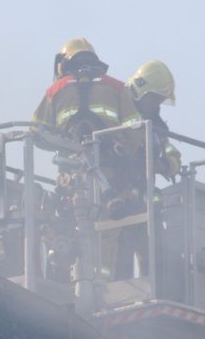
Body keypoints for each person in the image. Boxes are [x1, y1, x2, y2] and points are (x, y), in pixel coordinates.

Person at [32, 38, 142, 281]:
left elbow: (35, 135)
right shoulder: (117, 87)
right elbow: (137, 133)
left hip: (70, 182)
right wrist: (122, 154)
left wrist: (59, 145)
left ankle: (73, 286)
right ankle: (98, 288)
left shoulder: (55, 90)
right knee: (106, 238)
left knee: (68, 234)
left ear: (63, 64)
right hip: (112, 180)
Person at [114, 60, 182, 282]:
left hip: (147, 208)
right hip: (121, 204)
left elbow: (174, 157)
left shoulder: (156, 125)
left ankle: (157, 296)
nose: (156, 105)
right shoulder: (117, 112)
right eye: (154, 98)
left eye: (160, 100)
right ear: (141, 90)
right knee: (119, 262)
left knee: (156, 261)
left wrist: (162, 164)